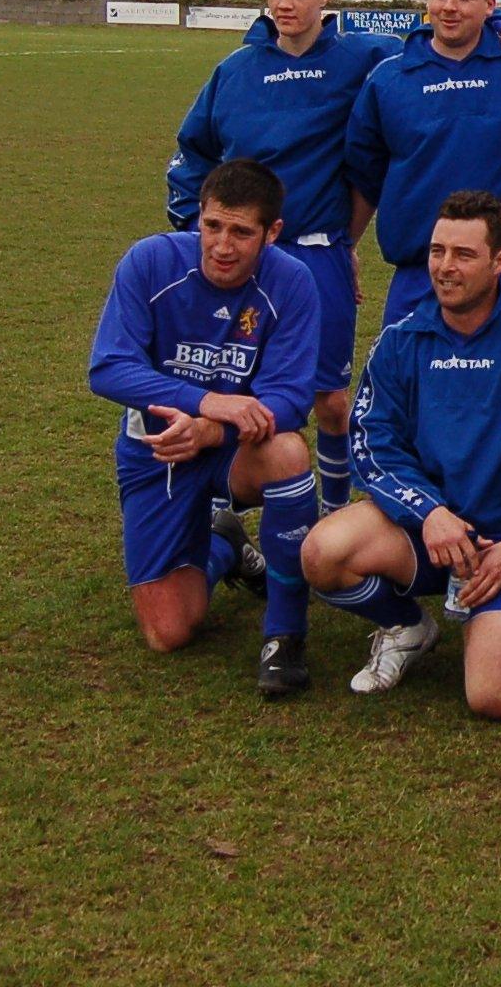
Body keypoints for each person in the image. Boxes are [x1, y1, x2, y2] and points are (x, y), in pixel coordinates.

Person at [302, 191, 501, 719]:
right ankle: (406, 625)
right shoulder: (401, 341)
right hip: (425, 534)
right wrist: (431, 513)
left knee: (492, 697)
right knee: (323, 552)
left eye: (463, 255)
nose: (445, 268)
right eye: (437, 251)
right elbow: (372, 445)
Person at [167, 0, 399, 519]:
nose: (284, 4)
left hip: (317, 256)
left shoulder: (363, 59)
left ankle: (337, 507)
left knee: (330, 398)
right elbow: (193, 153)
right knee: (244, 391)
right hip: (245, 258)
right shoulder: (235, 71)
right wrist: (191, 229)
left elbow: (441, 37)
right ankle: (246, 498)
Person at [88, 159, 322, 696]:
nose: (222, 245)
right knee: (168, 632)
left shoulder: (291, 282)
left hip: (231, 450)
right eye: (212, 226)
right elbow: (108, 366)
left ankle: (284, 634)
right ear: (199, 216)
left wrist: (213, 430)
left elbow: (289, 397)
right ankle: (223, 545)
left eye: (241, 232)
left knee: (288, 453)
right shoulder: (149, 263)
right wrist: (207, 402)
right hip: (157, 451)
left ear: (272, 233)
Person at [345, 0, 501, 328]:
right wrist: (348, 246)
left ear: (489, 4)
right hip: (419, 271)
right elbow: (365, 176)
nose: (449, 7)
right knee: (408, 383)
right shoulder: (389, 78)